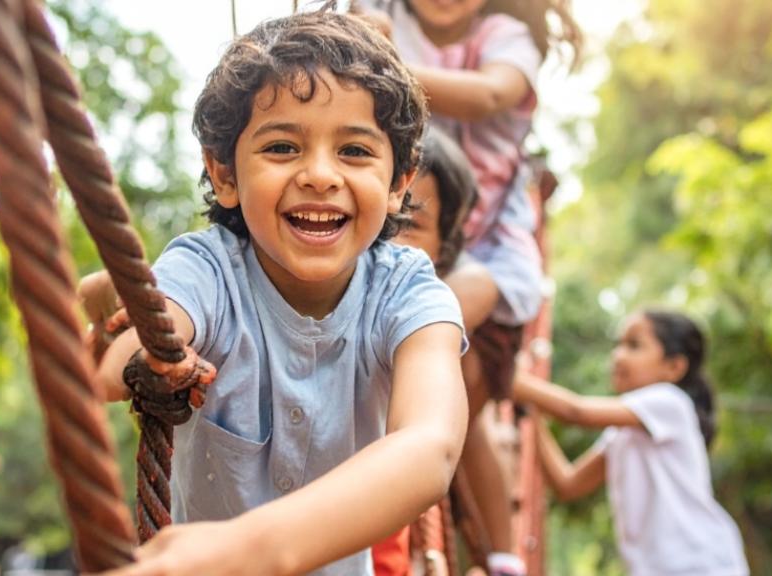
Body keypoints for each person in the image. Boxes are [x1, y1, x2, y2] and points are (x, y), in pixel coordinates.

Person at [80, 6, 470, 576]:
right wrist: (120, 316)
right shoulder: (207, 268)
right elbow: (127, 361)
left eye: (355, 151)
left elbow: (429, 447)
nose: (319, 174)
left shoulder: (406, 290)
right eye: (282, 147)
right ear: (224, 175)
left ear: (398, 184)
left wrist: (249, 552)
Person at [356, 2, 581, 574]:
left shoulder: (504, 37)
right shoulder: (381, 13)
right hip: (403, 234)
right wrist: (366, 35)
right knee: (458, 406)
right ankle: (498, 554)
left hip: (487, 250)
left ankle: (500, 557)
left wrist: (382, 61)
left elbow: (486, 95)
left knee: (437, 328)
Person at [513, 310, 749, 576]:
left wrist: (510, 377)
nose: (618, 355)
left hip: (700, 564)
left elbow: (578, 412)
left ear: (674, 367)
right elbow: (568, 484)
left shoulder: (671, 402)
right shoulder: (620, 434)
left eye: (634, 345)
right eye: (618, 345)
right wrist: (531, 411)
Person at [372, 128, 477, 576]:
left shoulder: (423, 329)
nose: (387, 242)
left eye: (408, 225)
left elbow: (429, 449)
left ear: (442, 252)